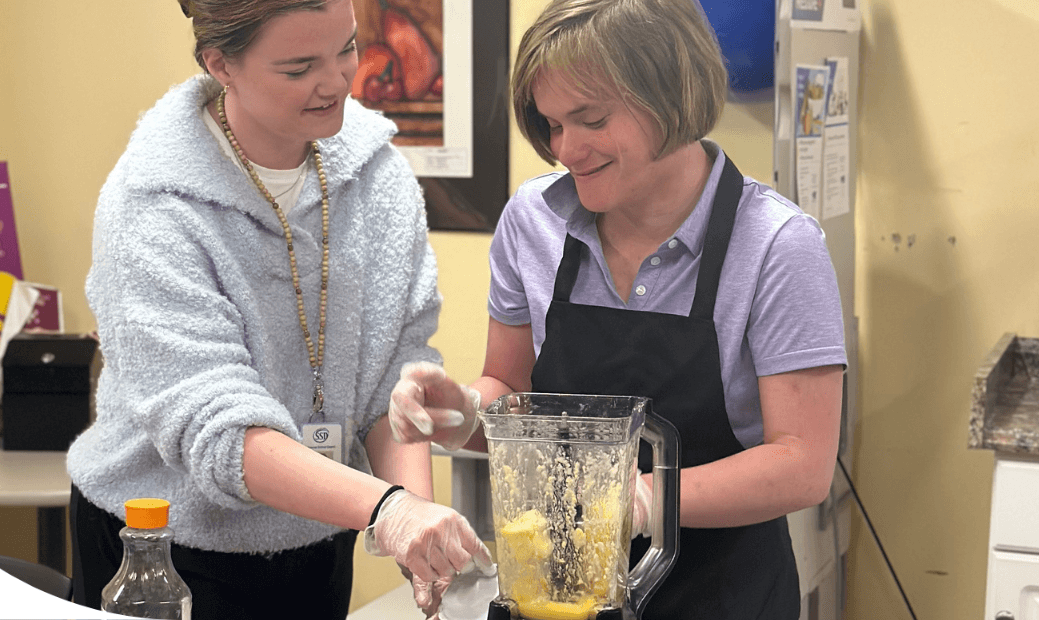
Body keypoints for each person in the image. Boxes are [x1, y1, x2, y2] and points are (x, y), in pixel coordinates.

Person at [388, 0, 847, 618]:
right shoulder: (534, 222)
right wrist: (463, 413)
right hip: (559, 592)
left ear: (672, 93)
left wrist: (638, 499)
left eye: (591, 119)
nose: (566, 149)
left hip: (722, 594)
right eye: (551, 124)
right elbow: (510, 389)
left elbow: (802, 465)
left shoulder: (775, 245)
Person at [66, 2, 490, 619]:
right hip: (160, 549)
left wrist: (414, 522)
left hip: (321, 529)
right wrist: (389, 510)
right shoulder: (153, 205)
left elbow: (389, 381)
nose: (338, 81)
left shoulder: (377, 174)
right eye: (298, 68)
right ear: (221, 66)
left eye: (346, 48)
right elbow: (219, 429)